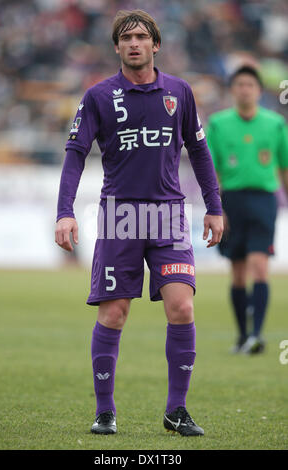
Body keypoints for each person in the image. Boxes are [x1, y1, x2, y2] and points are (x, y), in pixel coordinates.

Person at [55, 9, 223, 436]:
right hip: (120, 216)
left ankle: (176, 410)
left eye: (141, 36)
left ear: (156, 45)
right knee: (114, 314)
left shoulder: (180, 93)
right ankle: (105, 410)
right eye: (126, 37)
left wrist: (215, 206)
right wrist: (65, 211)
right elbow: (75, 154)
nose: (134, 43)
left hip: (168, 215)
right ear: (116, 47)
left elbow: (200, 153)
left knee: (182, 306)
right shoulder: (98, 96)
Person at [206, 65, 288, 354]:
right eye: (239, 84)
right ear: (232, 90)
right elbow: (211, 170)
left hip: (264, 200)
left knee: (260, 267)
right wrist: (215, 207)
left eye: (250, 85)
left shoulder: (275, 124)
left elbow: (285, 168)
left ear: (258, 90)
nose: (245, 89)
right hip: (231, 202)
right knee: (238, 273)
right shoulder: (217, 124)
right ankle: (242, 336)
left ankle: (256, 335)